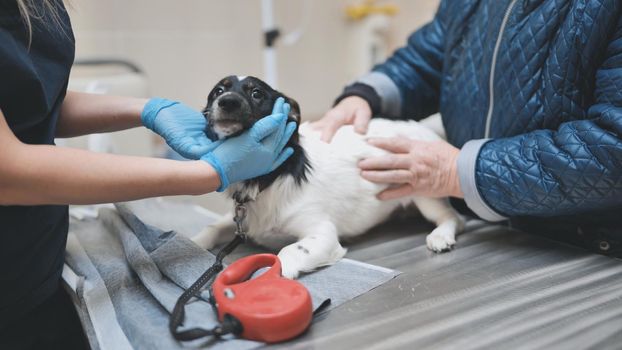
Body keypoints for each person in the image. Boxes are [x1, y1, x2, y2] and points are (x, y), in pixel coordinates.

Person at [0, 1, 295, 348]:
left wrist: (148, 109)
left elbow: (31, 100)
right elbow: (8, 173)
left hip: (38, 268)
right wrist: (205, 174)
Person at [314, 1, 622, 257]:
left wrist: (459, 172)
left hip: (584, 248)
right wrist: (366, 95)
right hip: (485, 231)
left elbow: (612, 146)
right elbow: (429, 58)